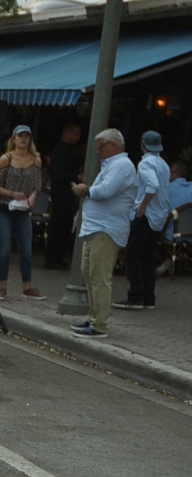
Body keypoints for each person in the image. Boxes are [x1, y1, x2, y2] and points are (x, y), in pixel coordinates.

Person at [71, 128, 137, 339]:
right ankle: (94, 317)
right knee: (89, 273)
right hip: (96, 227)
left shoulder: (122, 165)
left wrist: (86, 190)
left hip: (105, 229)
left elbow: (106, 191)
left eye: (100, 147)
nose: (98, 151)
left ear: (112, 146)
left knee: (99, 277)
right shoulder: (113, 165)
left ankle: (100, 324)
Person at [0, 125, 44, 300]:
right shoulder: (6, 159)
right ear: (14, 139)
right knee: (5, 250)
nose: (23, 139)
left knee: (26, 250)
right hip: (4, 208)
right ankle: (2, 287)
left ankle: (27, 287)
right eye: (20, 136)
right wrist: (11, 194)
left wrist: (33, 197)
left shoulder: (36, 160)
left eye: (26, 136)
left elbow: (37, 184)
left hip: (23, 210)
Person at [121, 130, 171, 311]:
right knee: (148, 256)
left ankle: (135, 295)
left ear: (143, 145)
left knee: (133, 254)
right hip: (159, 216)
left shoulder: (145, 164)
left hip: (146, 215)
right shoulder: (164, 165)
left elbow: (152, 185)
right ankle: (149, 297)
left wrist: (142, 207)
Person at [44, 123, 83, 269]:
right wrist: (77, 177)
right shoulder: (61, 152)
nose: (78, 138)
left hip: (66, 193)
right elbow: (59, 174)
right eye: (76, 134)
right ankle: (53, 257)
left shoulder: (66, 151)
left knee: (65, 225)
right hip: (62, 193)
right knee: (59, 224)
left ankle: (58, 256)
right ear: (68, 134)